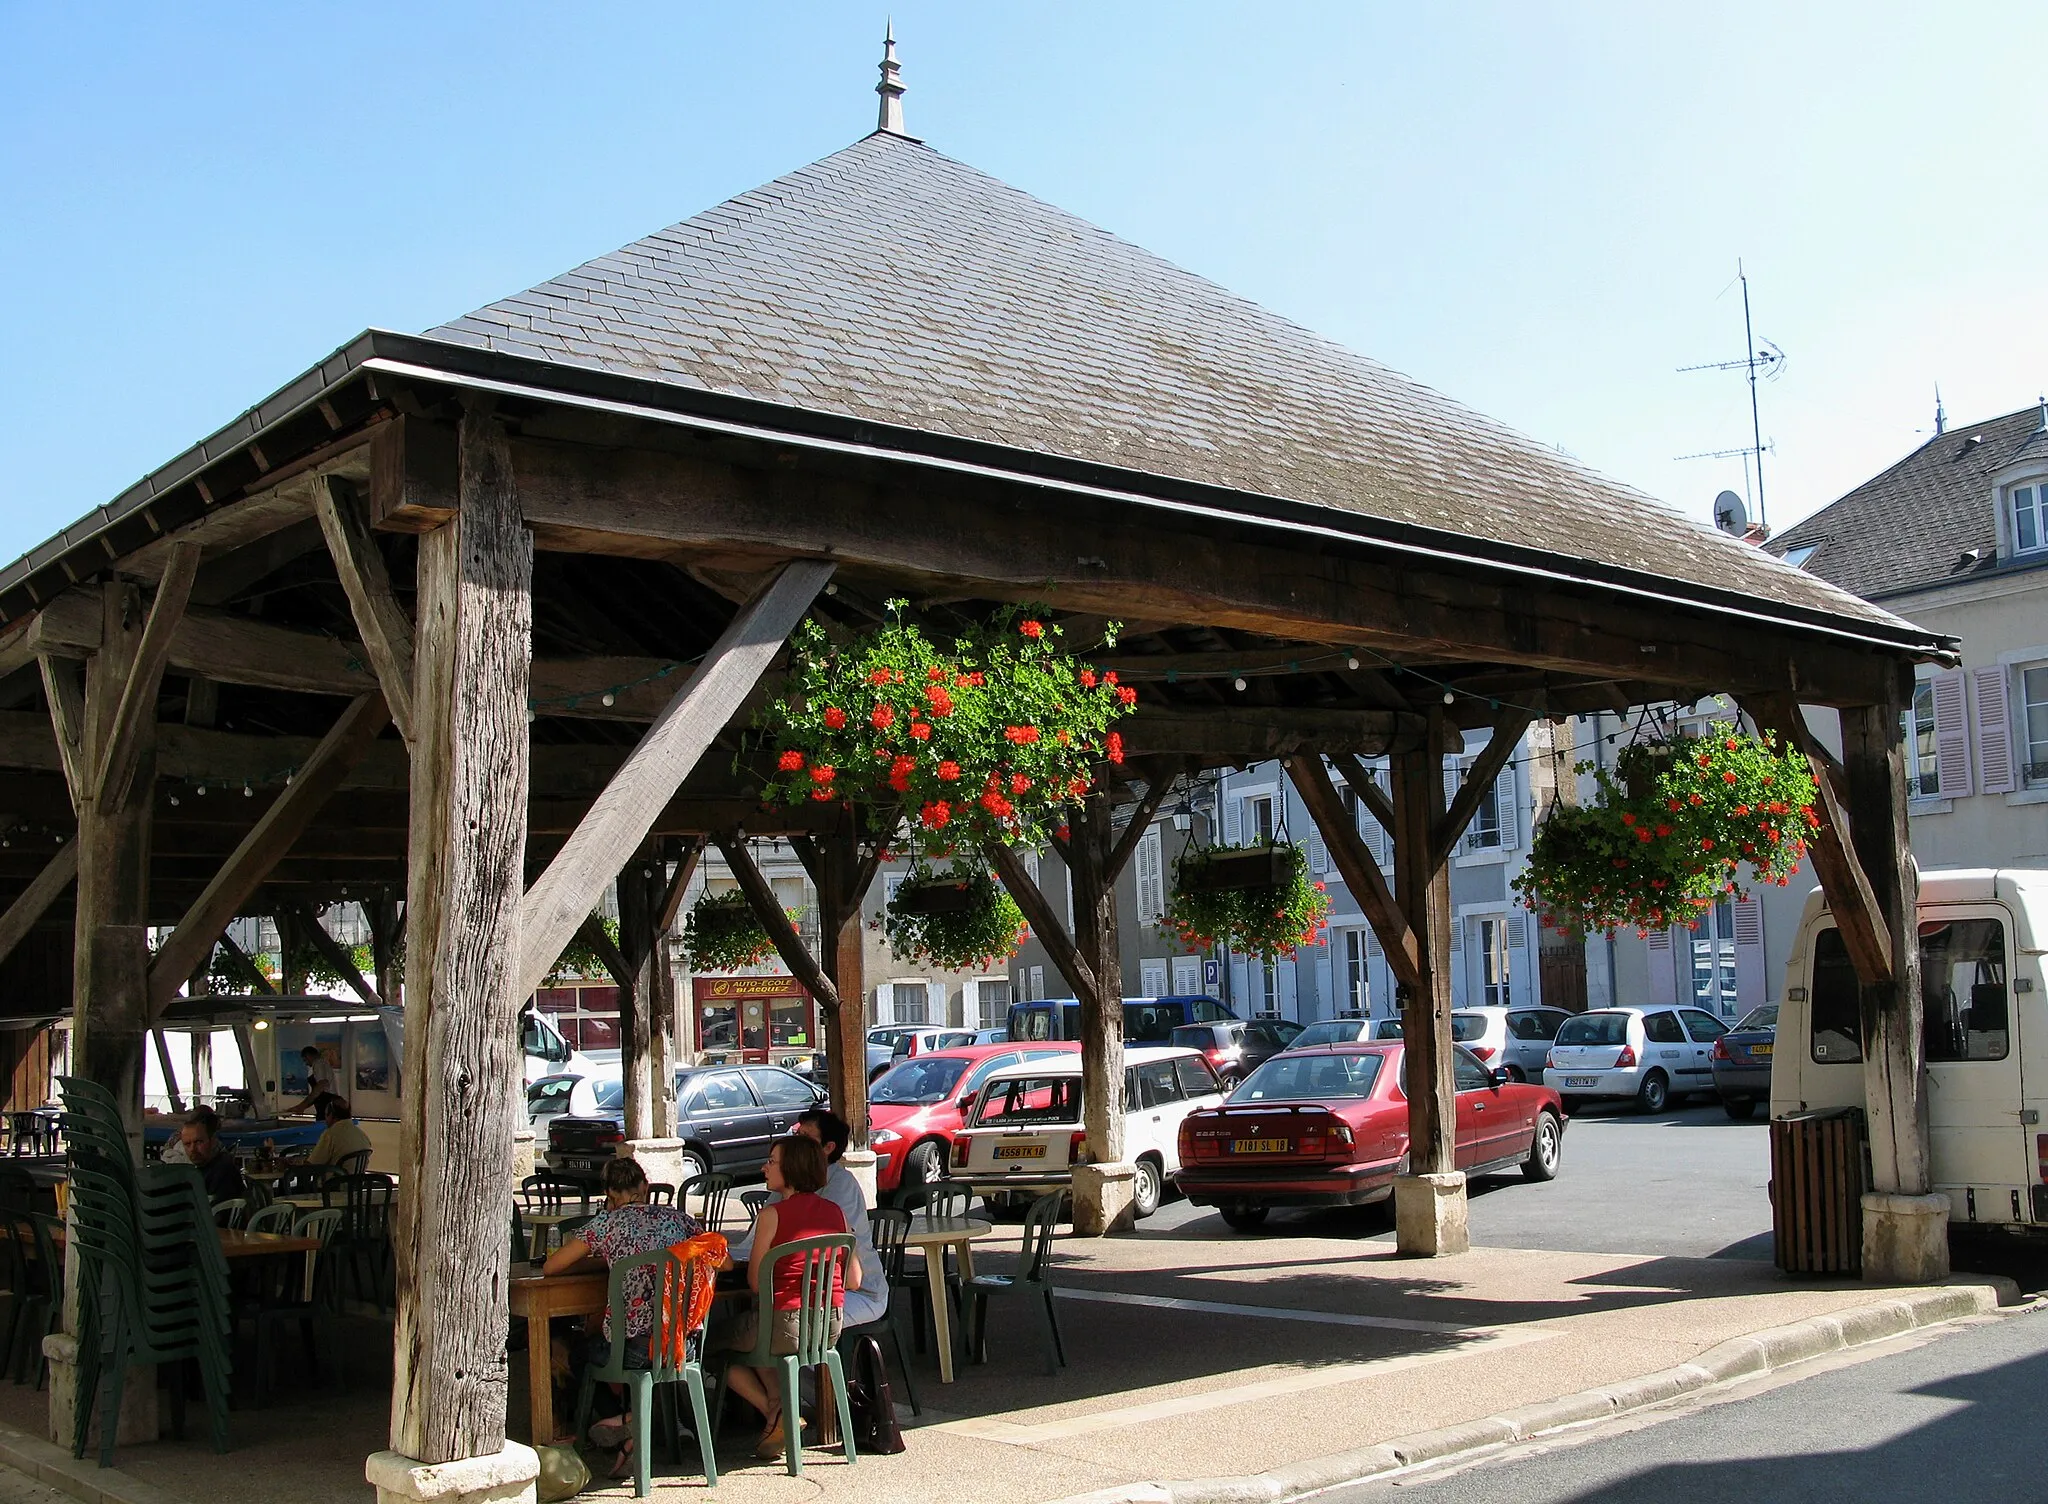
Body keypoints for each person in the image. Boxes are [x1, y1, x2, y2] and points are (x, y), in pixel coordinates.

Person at [542, 1157, 699, 1476]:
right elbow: (716, 1258)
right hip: (682, 1345)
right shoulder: (680, 1219)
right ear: (645, 1186)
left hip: (634, 1348)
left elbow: (551, 1267)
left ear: (610, 1194)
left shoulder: (606, 1225)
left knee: (582, 1355)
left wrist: (609, 1260)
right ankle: (632, 1423)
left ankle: (622, 1423)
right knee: (613, 1347)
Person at [720, 1134, 860, 1460]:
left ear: (792, 1169)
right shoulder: (836, 1214)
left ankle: (775, 1409)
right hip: (828, 1327)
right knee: (759, 1338)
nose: (763, 1167)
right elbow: (854, 1279)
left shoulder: (772, 1216)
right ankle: (780, 1411)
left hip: (783, 1325)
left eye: (771, 1162)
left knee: (709, 1347)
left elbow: (756, 1283)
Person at [791, 1109, 890, 1330]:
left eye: (806, 1138)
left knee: (794, 1327)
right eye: (796, 1136)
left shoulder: (840, 1185)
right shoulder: (790, 1182)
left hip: (859, 1292)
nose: (796, 1145)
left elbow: (818, 1243)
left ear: (828, 1148)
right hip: (808, 1289)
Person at [178, 1107, 246, 1205]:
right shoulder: (202, 1170)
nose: (192, 1149)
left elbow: (219, 1215)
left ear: (213, 1141)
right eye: (187, 1144)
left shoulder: (223, 1172)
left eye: (199, 1142)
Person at [302, 1097, 373, 1168]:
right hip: (357, 1178)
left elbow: (313, 1164)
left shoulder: (331, 1134)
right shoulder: (361, 1134)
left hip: (335, 1178)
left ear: (331, 1115)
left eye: (326, 1115)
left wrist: (300, 1161)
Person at [283, 1046, 340, 1119]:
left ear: (308, 1056)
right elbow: (317, 1095)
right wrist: (300, 1107)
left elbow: (321, 1085)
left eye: (305, 1060)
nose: (306, 1063)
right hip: (326, 1106)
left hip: (328, 1107)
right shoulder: (323, 1063)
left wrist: (302, 1106)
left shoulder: (318, 1063)